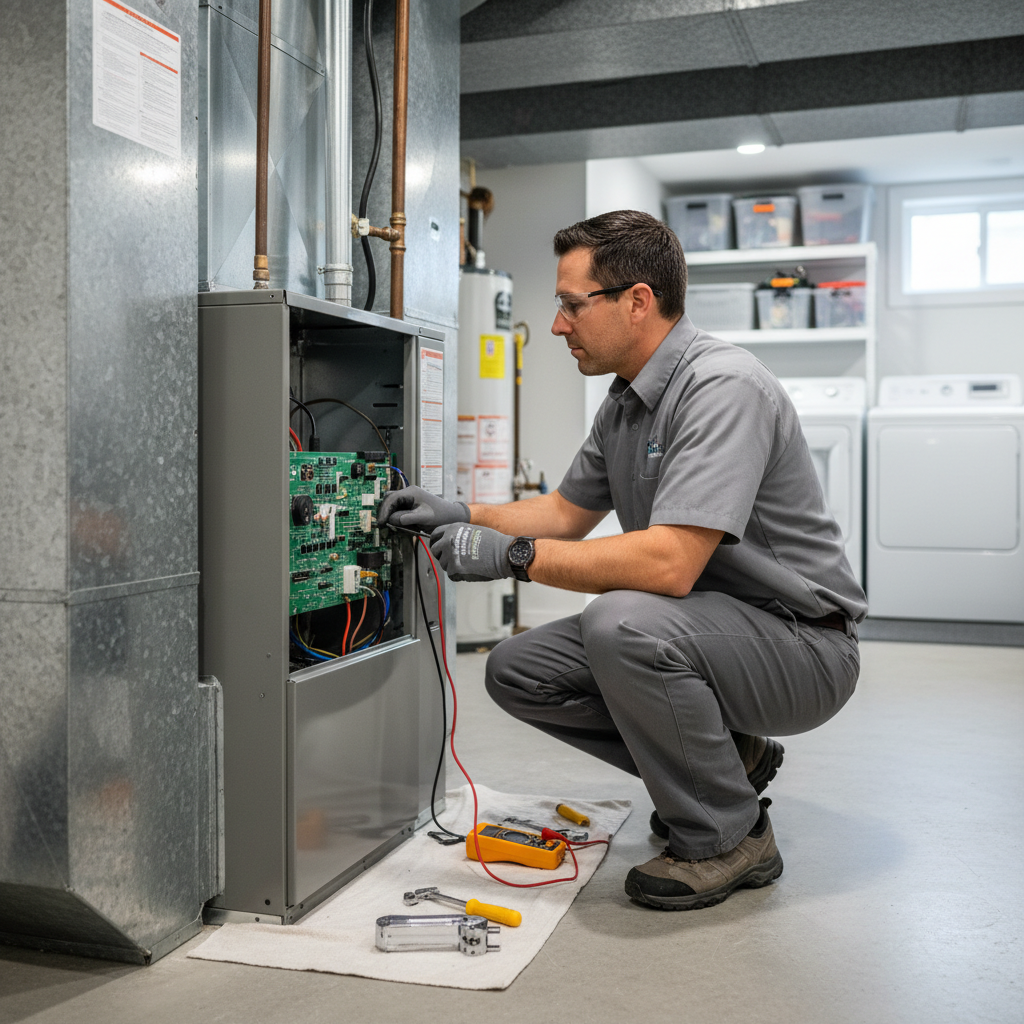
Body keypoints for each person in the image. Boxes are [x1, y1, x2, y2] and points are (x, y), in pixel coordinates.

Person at [378, 210, 866, 911]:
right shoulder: (626, 405)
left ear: (637, 300)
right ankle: (733, 762)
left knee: (622, 622)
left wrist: (511, 557)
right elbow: (564, 512)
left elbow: (670, 565)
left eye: (572, 305)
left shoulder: (723, 387)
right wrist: (460, 512)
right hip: (707, 629)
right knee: (519, 670)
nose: (557, 326)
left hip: (802, 645)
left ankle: (729, 836)